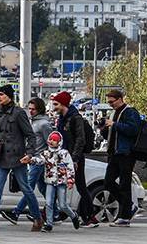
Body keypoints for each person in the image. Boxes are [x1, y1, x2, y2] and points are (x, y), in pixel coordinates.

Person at [0, 85, 42, 232]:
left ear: (9, 96)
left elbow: (30, 135)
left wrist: (29, 154)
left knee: (26, 188)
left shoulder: (19, 113)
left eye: (1, 95)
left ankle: (37, 218)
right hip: (1, 157)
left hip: (18, 157)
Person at [1, 97, 51, 225]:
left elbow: (51, 143)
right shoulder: (32, 121)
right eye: (29, 109)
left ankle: (16, 213)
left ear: (40, 109)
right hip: (32, 158)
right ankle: (54, 211)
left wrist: (42, 157)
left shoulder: (44, 124)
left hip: (38, 159)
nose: (31, 111)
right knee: (42, 188)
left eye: (33, 109)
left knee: (27, 187)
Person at [21, 131, 80, 232]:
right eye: (51, 139)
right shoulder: (46, 153)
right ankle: (49, 224)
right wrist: (31, 160)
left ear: (59, 142)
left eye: (55, 140)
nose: (52, 141)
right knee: (49, 203)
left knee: (63, 205)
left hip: (61, 182)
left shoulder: (64, 153)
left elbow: (70, 167)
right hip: (50, 181)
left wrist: (70, 180)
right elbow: (40, 160)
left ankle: (73, 216)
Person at [53, 90, 96, 228]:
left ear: (63, 104)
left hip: (74, 158)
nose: (54, 107)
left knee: (81, 187)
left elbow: (80, 140)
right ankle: (58, 214)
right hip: (64, 157)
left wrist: (75, 159)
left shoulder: (75, 118)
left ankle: (90, 217)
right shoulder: (62, 118)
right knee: (59, 184)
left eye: (56, 104)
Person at [100, 88, 141, 227]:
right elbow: (111, 135)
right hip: (114, 154)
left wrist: (115, 124)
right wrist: (105, 128)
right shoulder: (113, 113)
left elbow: (133, 130)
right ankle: (128, 205)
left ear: (119, 99)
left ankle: (125, 217)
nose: (110, 105)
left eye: (112, 102)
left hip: (126, 154)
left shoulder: (130, 112)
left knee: (124, 184)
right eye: (109, 102)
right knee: (108, 182)